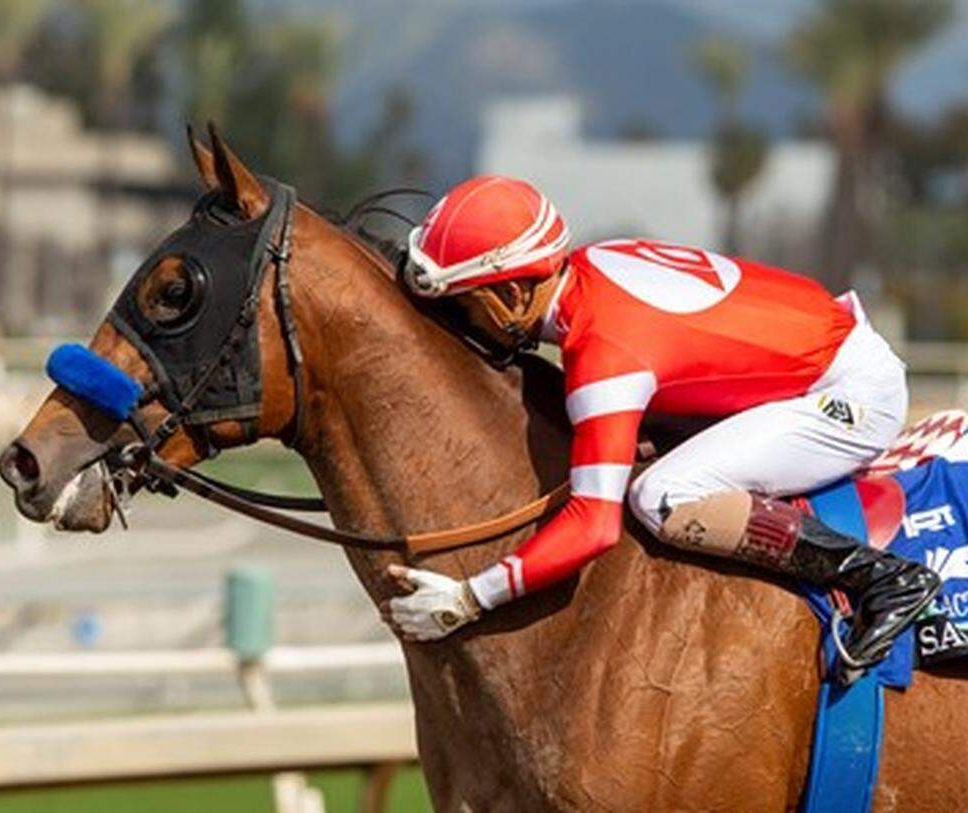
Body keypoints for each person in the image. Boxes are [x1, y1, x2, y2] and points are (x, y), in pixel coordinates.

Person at [381, 174, 939, 678]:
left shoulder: (604, 356)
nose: (464, 321)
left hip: (851, 396)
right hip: (823, 350)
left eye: (465, 306)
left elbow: (593, 526)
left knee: (661, 495)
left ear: (511, 294)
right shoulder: (595, 260)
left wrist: (470, 598)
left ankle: (882, 578)